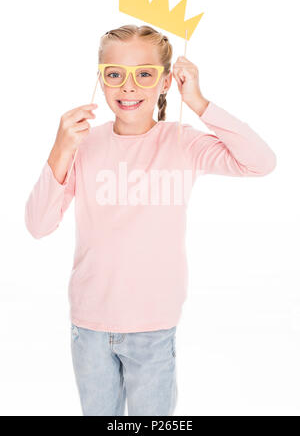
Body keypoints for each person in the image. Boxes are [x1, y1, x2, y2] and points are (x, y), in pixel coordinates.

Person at [24, 24, 277, 416]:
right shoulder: (84, 145)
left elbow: (261, 162)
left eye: (144, 74)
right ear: (101, 80)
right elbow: (38, 225)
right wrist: (61, 147)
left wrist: (197, 102)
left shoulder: (183, 143)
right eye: (115, 74)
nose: (129, 87)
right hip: (89, 325)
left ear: (164, 82)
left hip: (154, 327)